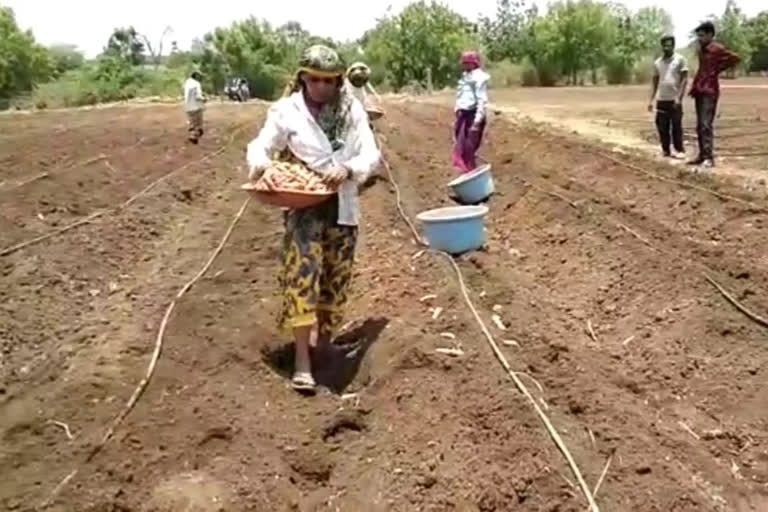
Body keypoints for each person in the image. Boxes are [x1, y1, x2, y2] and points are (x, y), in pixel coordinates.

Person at [246, 45, 380, 394]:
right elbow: (260, 145)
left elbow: (370, 153)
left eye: (329, 80)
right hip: (303, 207)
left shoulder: (351, 111)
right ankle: (302, 361)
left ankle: (325, 346)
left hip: (342, 204)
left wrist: (348, 168)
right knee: (302, 277)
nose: (322, 86)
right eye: (315, 79)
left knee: (336, 279)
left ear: (338, 81)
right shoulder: (286, 111)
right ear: (303, 77)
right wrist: (263, 166)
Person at [689, 21, 740, 168]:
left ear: (710, 35)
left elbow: (735, 58)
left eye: (702, 35)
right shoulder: (701, 50)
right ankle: (702, 155)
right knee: (699, 125)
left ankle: (709, 158)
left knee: (706, 124)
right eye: (698, 35)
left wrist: (718, 69)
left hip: (710, 91)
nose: (699, 38)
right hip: (699, 89)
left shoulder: (717, 49)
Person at [648, 36, 689, 159]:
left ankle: (679, 149)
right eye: (665, 45)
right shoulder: (657, 63)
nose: (667, 47)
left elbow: (684, 79)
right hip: (662, 99)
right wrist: (651, 100)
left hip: (674, 99)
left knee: (676, 125)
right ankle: (665, 150)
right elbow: (655, 82)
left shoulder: (680, 60)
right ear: (662, 46)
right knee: (662, 126)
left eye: (669, 45)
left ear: (673, 46)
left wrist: (679, 97)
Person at [453, 51, 490, 173]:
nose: (463, 65)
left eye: (466, 63)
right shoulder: (465, 76)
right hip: (464, 115)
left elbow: (481, 101)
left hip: (473, 116)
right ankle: (468, 172)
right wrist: (457, 108)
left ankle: (472, 175)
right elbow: (461, 95)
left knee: (469, 148)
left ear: (473, 64)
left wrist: (476, 122)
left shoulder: (479, 78)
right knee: (461, 148)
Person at [183, 71, 206, 144]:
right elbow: (198, 96)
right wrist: (204, 99)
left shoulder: (187, 83)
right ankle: (195, 136)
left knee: (192, 122)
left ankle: (193, 135)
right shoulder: (197, 84)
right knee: (198, 122)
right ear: (196, 77)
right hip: (196, 106)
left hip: (188, 106)